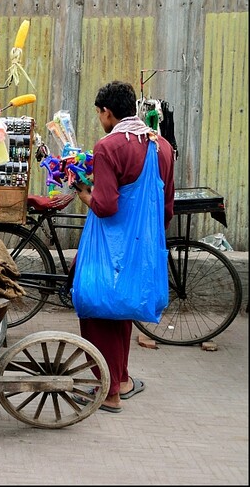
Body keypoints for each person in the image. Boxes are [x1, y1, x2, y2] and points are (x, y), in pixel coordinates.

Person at [73, 80, 175, 413]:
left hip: (110, 243)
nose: (100, 120)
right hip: (143, 243)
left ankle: (109, 392)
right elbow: (167, 207)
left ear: (107, 112)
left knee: (98, 307)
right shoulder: (162, 146)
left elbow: (105, 206)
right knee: (124, 305)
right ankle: (124, 378)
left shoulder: (109, 146)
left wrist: (82, 192)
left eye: (100, 113)